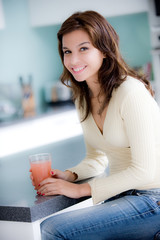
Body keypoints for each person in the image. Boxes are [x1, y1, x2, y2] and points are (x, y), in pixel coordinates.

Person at [31, 10, 160, 239]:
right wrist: (70, 175)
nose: (72, 60)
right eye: (67, 51)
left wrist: (81, 189)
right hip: (123, 196)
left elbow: (145, 170)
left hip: (153, 199)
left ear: (104, 50)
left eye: (83, 49)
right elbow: (96, 158)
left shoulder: (131, 92)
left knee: (52, 229)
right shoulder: (83, 97)